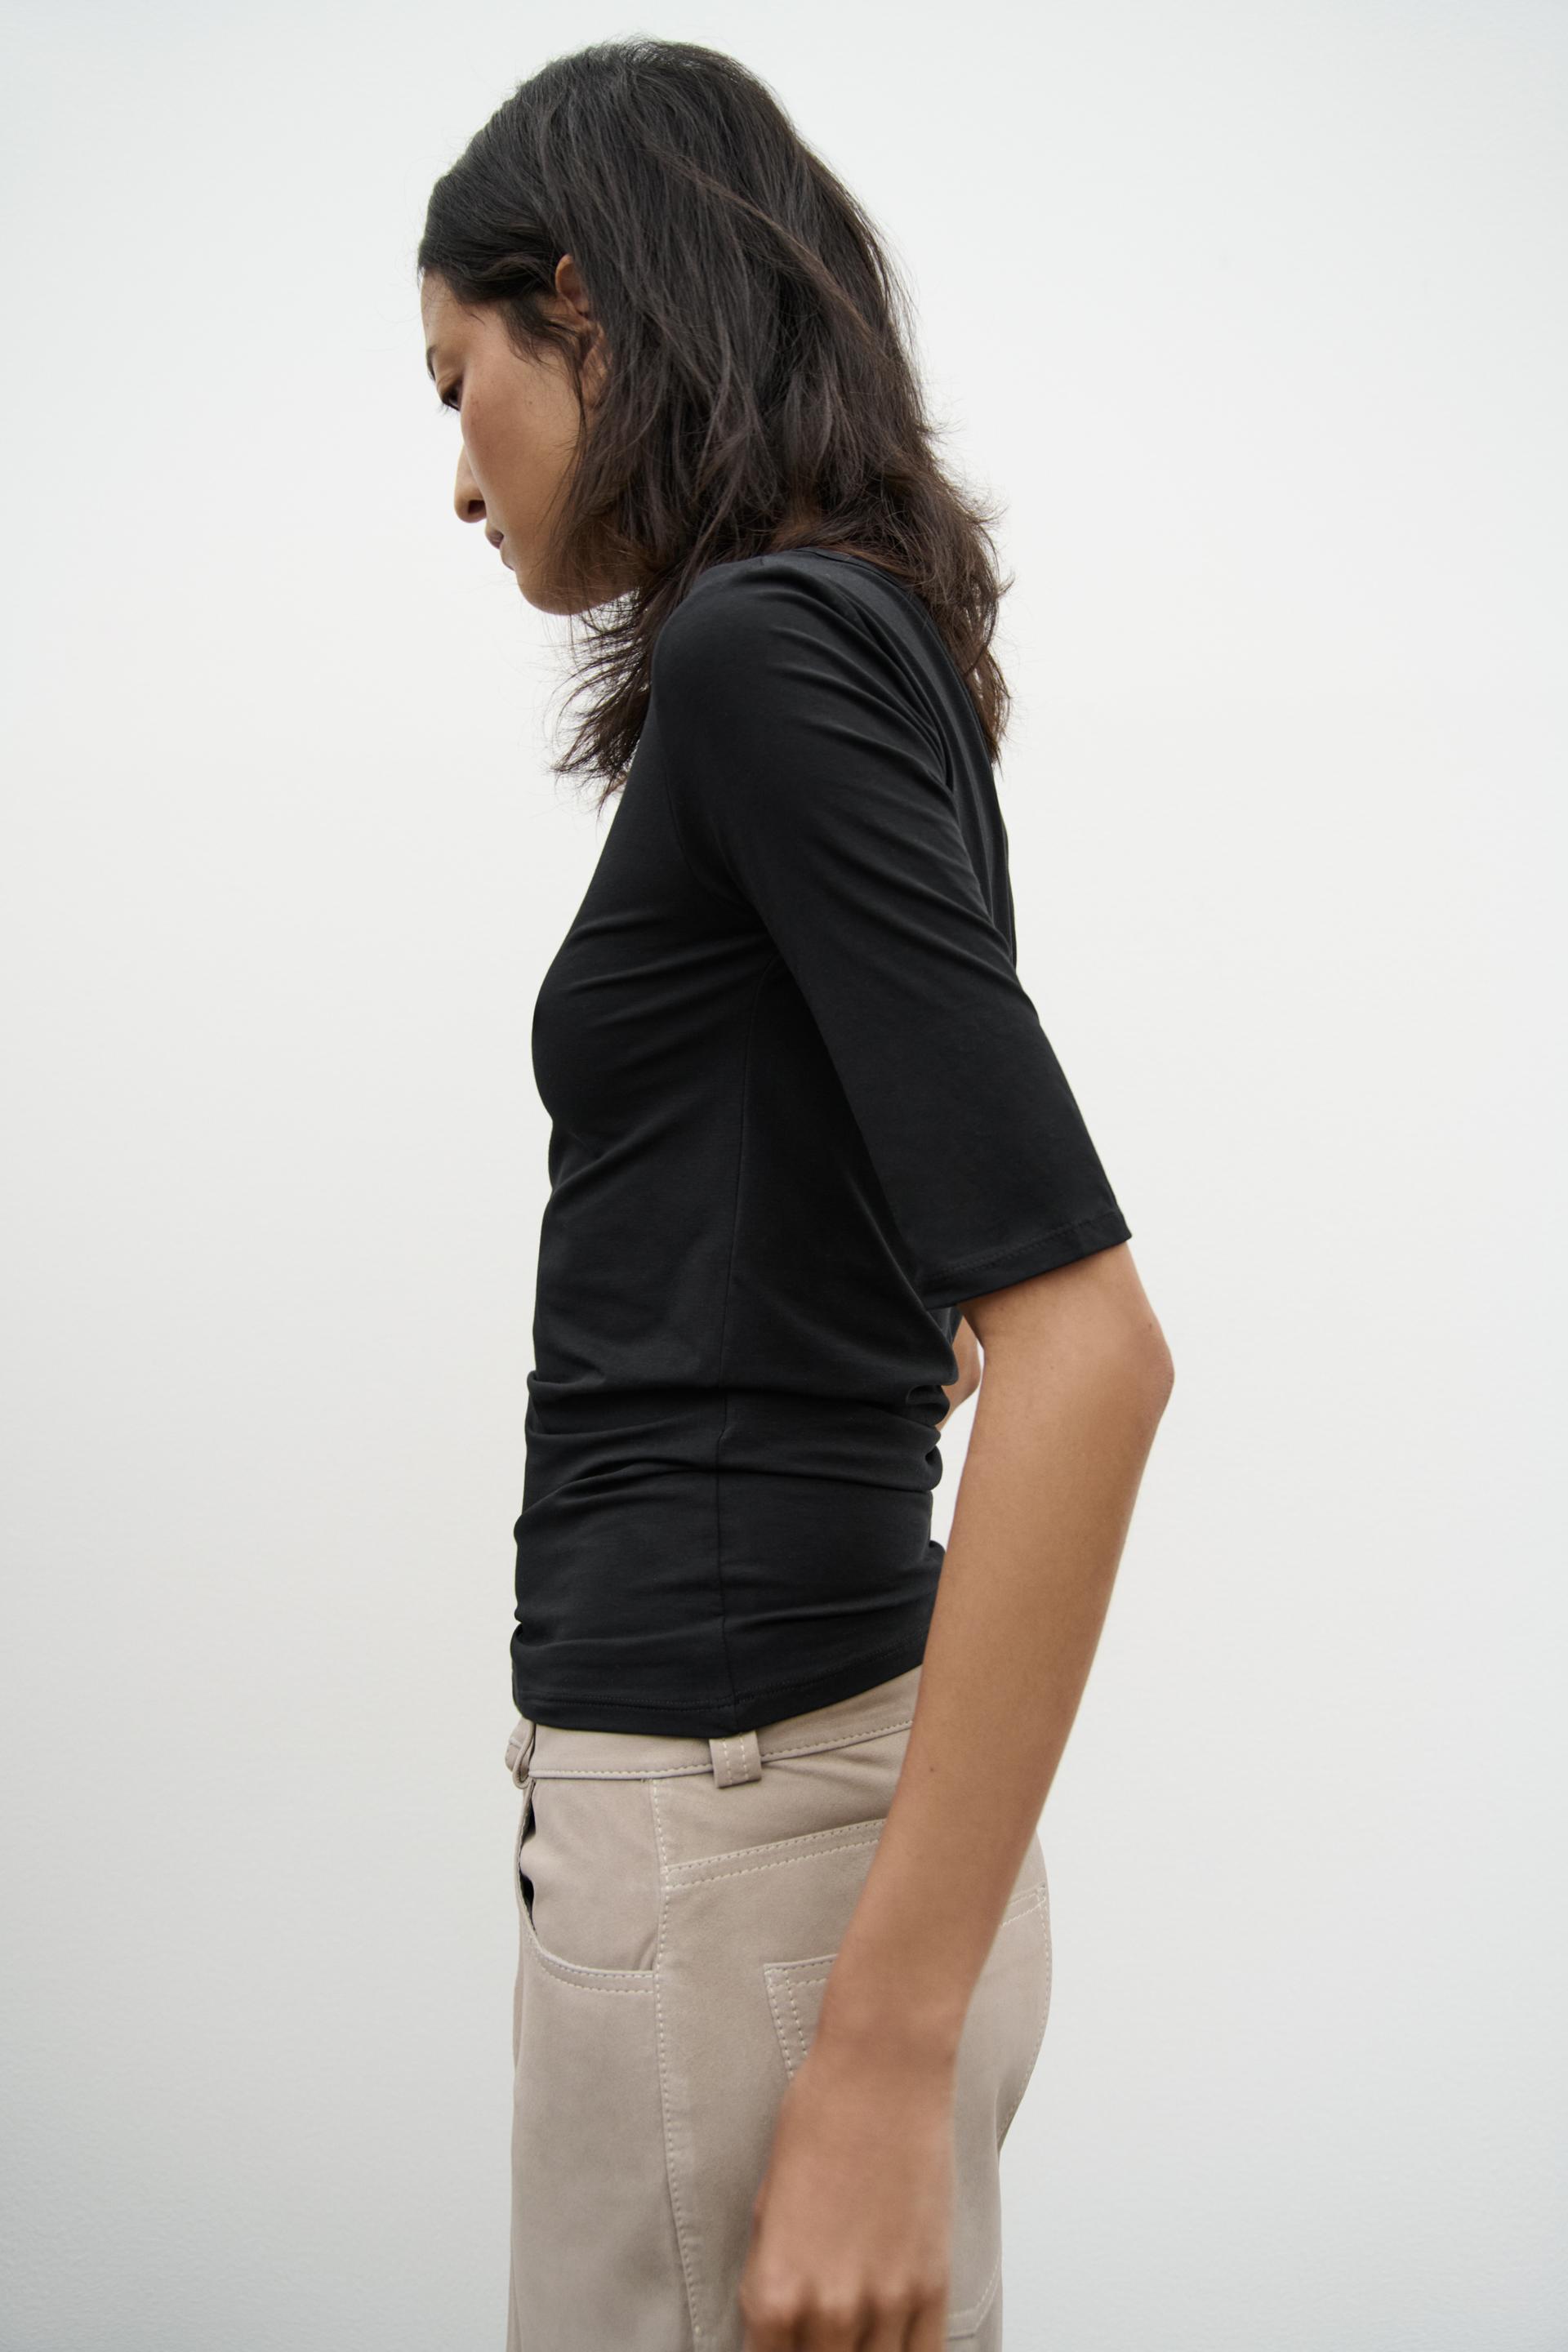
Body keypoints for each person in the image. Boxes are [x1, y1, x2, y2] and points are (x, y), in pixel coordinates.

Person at [416, 38, 1174, 2352]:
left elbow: (1086, 1351)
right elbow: (902, 1237)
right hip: (785, 1834)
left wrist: (876, 2054)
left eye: (458, 383)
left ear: (586, 308)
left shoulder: (767, 656)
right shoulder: (862, 653)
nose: (456, 473)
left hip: (743, 1863)